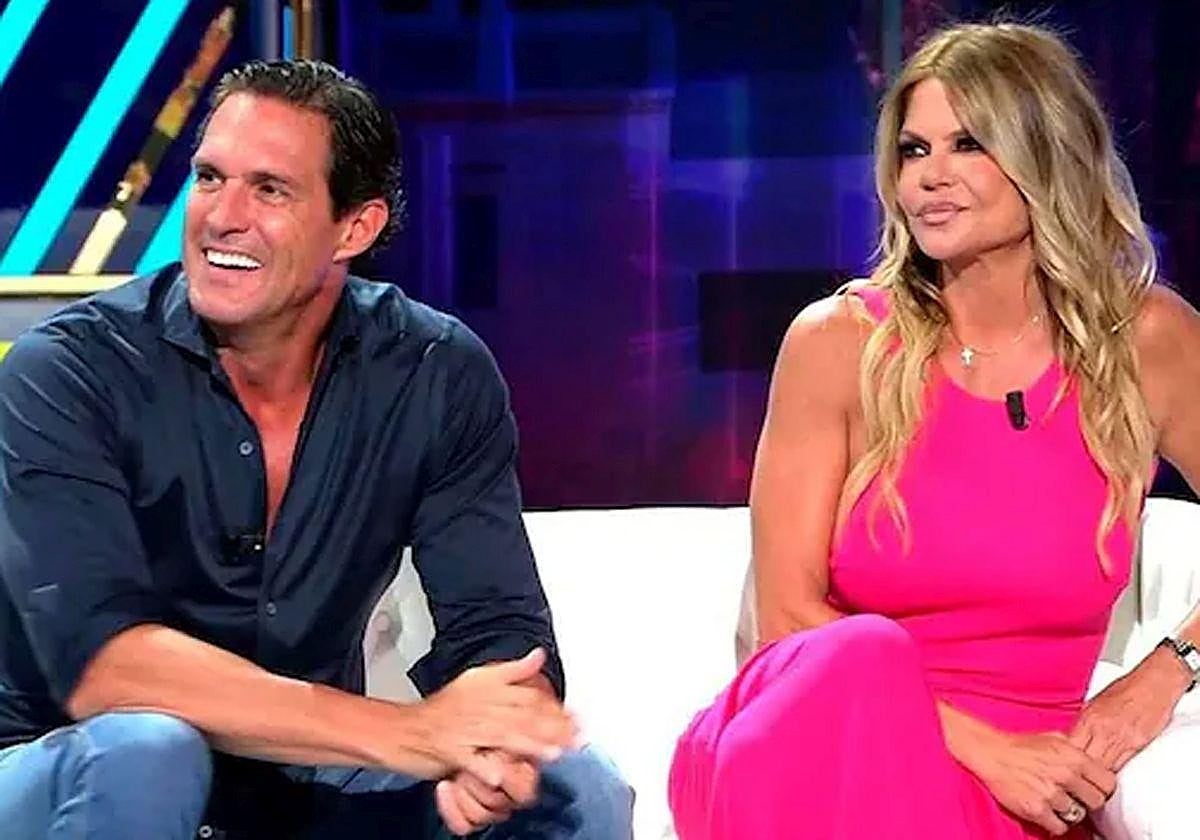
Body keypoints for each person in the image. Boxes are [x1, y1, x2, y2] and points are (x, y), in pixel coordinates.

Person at [0, 59, 632, 839]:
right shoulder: (69, 372)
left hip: (303, 778)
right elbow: (108, 669)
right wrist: (410, 732)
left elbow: (498, 634)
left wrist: (495, 752)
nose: (221, 217)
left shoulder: (432, 373)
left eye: (269, 190)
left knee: (578, 791)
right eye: (209, 178)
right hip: (68, 770)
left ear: (354, 228)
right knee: (150, 752)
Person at [669, 22, 1200, 840]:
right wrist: (989, 751)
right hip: (820, 747)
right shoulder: (837, 344)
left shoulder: (1146, 343)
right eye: (914, 150)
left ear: (1046, 156)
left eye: (968, 145)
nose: (929, 176)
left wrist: (1164, 673)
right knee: (864, 654)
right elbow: (786, 620)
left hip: (1025, 784)